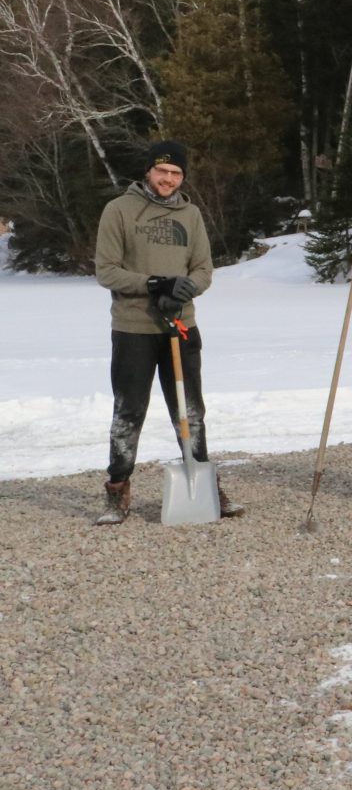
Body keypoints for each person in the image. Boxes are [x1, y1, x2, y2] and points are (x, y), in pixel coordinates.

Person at [92, 140, 244, 525]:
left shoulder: (190, 214)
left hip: (181, 326)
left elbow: (203, 269)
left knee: (190, 411)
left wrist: (184, 289)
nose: (169, 179)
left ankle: (204, 484)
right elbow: (106, 271)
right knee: (129, 410)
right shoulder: (119, 210)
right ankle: (117, 488)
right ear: (148, 171)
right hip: (134, 328)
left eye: (176, 173)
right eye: (162, 171)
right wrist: (154, 284)